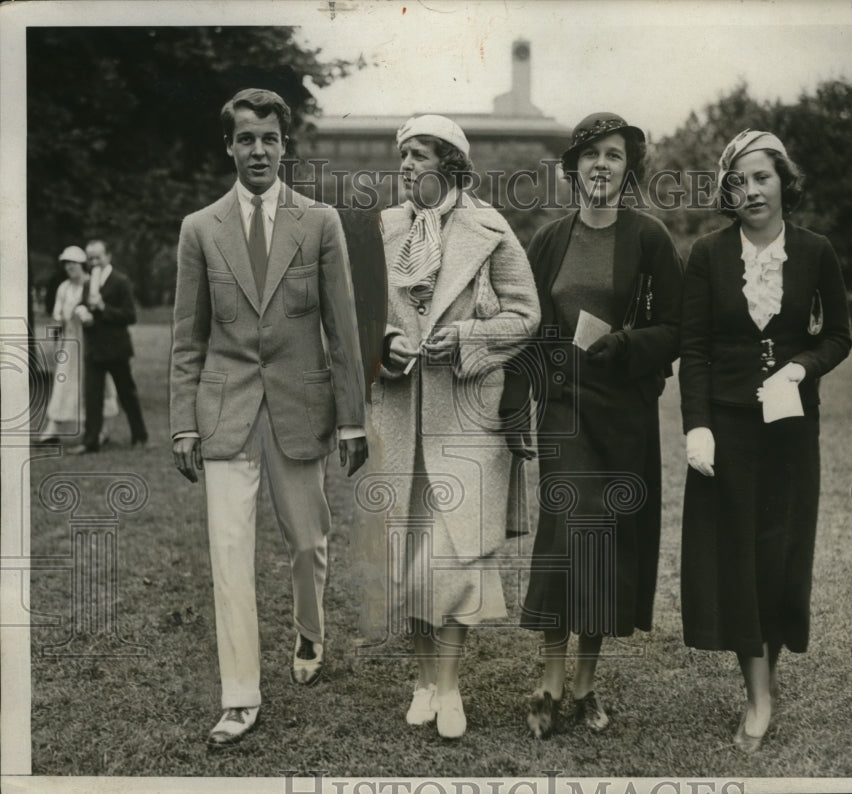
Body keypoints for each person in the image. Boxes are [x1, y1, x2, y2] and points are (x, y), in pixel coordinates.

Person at [169, 88, 369, 747]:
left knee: (308, 542)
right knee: (229, 553)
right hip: (225, 412)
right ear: (228, 146)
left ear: (286, 146)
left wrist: (352, 420)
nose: (259, 149)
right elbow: (186, 339)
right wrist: (183, 423)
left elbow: (342, 329)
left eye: (270, 139)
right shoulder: (200, 228)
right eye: (246, 138)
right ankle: (239, 695)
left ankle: (309, 630)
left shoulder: (319, 224)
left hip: (299, 407)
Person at [501, 112, 684, 738]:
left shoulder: (650, 238)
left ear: (627, 167)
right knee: (562, 541)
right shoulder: (549, 240)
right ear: (573, 167)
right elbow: (525, 324)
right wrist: (515, 403)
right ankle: (550, 679)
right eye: (590, 155)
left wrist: (629, 344)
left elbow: (676, 331)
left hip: (624, 415)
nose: (601, 165)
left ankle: (585, 684)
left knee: (604, 545)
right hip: (563, 411)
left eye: (613, 154)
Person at [679, 129, 852, 753]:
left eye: (761, 177)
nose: (750, 190)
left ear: (783, 182)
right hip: (726, 430)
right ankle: (758, 697)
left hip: (789, 428)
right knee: (737, 557)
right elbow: (693, 350)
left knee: (778, 556)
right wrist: (697, 425)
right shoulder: (706, 254)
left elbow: (838, 334)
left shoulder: (815, 251)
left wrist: (802, 367)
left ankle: (765, 676)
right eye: (738, 181)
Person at [370, 114, 539, 739]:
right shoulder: (385, 228)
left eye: (418, 155)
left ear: (449, 163)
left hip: (467, 416)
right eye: (403, 155)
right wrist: (385, 344)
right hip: (398, 411)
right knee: (410, 553)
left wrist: (467, 334)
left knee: (456, 555)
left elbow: (526, 314)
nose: (406, 165)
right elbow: (362, 315)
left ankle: (449, 684)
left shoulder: (491, 229)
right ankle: (421, 679)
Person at [66, 239, 148, 453]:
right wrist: (82, 311)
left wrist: (103, 307)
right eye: (90, 258)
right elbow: (85, 305)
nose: (94, 262)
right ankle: (90, 441)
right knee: (92, 397)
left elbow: (130, 316)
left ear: (108, 257)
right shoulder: (87, 282)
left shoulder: (121, 281)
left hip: (116, 349)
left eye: (97, 257)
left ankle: (140, 436)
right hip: (93, 349)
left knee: (126, 394)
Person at [39, 246, 119, 444]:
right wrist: (57, 332)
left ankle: (102, 430)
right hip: (71, 343)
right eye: (66, 264)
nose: (69, 267)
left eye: (73, 263)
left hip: (93, 343)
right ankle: (52, 429)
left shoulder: (93, 284)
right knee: (63, 382)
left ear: (82, 264)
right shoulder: (64, 288)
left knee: (99, 385)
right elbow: (57, 316)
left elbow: (101, 312)